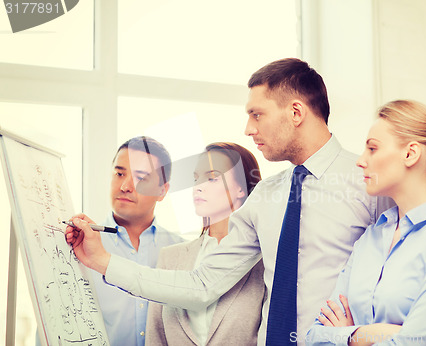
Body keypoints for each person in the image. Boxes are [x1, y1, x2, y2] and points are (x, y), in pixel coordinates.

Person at [65, 58, 393, 346]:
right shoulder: (265, 197)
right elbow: (202, 283)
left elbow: (406, 282)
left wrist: (367, 334)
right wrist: (103, 261)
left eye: (257, 114)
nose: (248, 129)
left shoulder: (370, 182)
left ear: (296, 112)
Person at [306, 100, 426, 346]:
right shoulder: (370, 237)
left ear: (410, 154)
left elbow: (416, 342)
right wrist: (375, 333)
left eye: (372, 149)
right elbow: (314, 337)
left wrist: (348, 334)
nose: (360, 161)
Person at [145, 142, 266, 346]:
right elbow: (155, 336)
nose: (198, 186)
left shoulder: (265, 261)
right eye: (196, 178)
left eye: (211, 178)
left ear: (241, 188)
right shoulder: (170, 257)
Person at [73, 136, 184, 346]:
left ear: (162, 191)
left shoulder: (181, 252)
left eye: (141, 178)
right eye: (119, 173)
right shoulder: (78, 246)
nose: (125, 186)